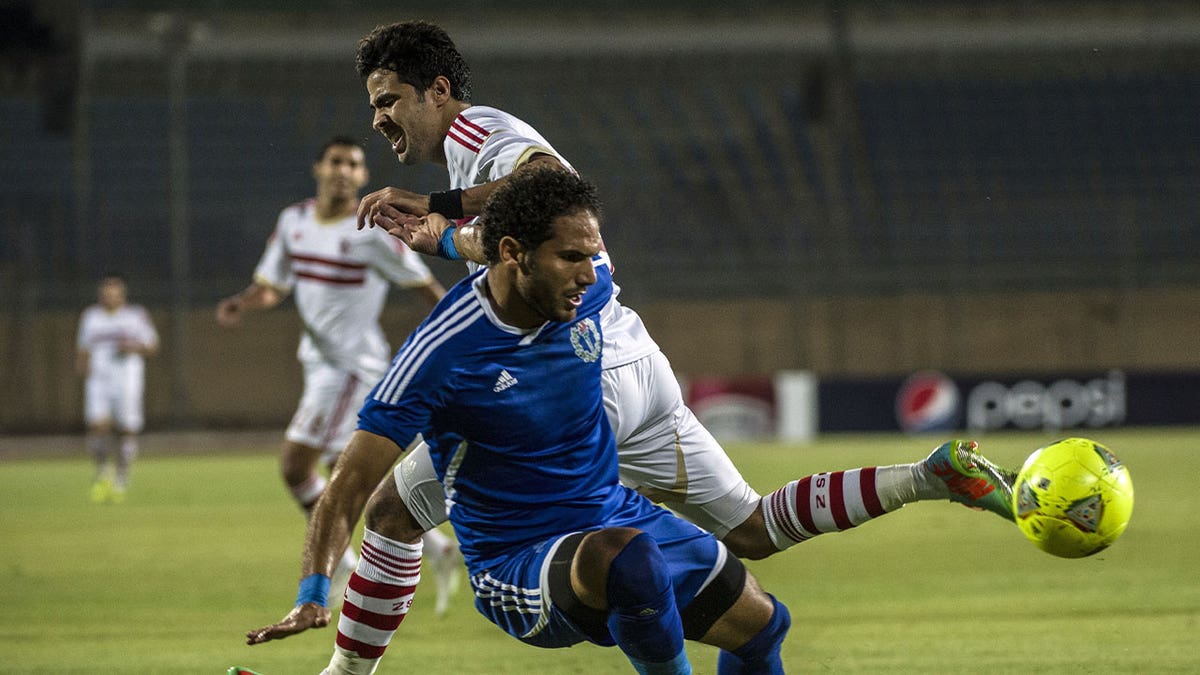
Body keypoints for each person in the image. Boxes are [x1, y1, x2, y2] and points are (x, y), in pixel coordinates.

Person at [272, 20, 1017, 674]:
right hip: (635, 359)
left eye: (387, 100)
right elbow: (494, 240)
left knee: (394, 512)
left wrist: (433, 206)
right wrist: (437, 232)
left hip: (576, 369)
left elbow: (549, 183)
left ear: (437, 91)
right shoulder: (486, 189)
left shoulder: (477, 132)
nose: (378, 120)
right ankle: (926, 477)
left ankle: (346, 670)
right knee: (752, 528)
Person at [248, 167, 792, 675]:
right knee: (628, 560)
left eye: (593, 255)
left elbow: (548, 178)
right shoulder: (443, 352)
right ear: (514, 255)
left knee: (764, 626)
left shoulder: (582, 292)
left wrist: (440, 229)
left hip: (611, 515)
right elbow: (349, 486)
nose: (589, 276)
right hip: (516, 562)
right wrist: (312, 594)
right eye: (571, 257)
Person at [215, 135, 456, 607]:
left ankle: (342, 567)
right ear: (319, 168)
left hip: (352, 369)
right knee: (337, 471)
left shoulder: (373, 231)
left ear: (363, 177)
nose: (344, 170)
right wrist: (243, 303)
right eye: (336, 161)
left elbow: (424, 285)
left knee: (296, 465)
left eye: (354, 164)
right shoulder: (294, 221)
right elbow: (272, 285)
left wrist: (465, 329)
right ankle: (435, 549)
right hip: (318, 363)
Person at [76, 275, 159, 504]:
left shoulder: (135, 316)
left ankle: (122, 479)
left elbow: (152, 345)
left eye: (114, 294)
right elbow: (83, 349)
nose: (109, 298)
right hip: (98, 380)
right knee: (97, 426)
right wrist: (82, 371)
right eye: (105, 294)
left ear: (122, 296)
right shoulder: (91, 317)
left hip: (127, 380)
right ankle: (103, 473)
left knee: (126, 430)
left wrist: (132, 347)